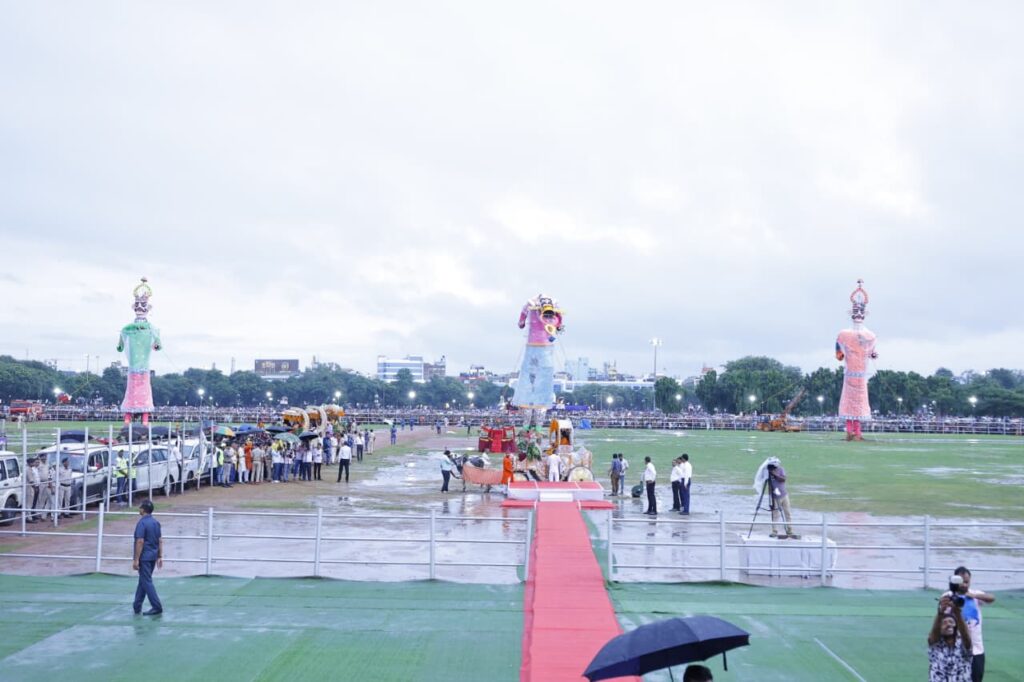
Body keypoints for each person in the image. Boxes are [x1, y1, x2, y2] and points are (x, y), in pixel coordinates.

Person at [835, 279, 879, 441]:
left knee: (858, 403)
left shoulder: (868, 336)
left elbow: (871, 351)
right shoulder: (846, 334)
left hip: (859, 374)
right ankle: (851, 432)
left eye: (861, 313)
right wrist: (841, 354)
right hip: (852, 373)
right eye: (857, 313)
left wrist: (872, 355)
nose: (858, 316)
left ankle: (856, 432)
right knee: (851, 402)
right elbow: (839, 351)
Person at [953, 566, 996, 681]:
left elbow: (991, 598)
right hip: (956, 650)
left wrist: (974, 596)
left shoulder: (975, 594)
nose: (964, 585)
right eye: (961, 582)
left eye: (967, 582)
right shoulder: (949, 596)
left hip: (976, 650)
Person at [928, 592, 972, 682]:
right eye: (944, 623)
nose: (948, 624)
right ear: (939, 628)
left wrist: (957, 613)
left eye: (951, 622)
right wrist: (940, 612)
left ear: (956, 626)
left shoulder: (962, 644)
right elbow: (933, 634)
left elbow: (966, 638)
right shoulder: (935, 645)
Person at [132, 499, 163, 616]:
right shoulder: (155, 523)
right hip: (152, 557)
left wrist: (136, 559)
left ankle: (156, 606)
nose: (139, 509)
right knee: (143, 581)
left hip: (144, 557)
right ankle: (137, 606)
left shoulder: (142, 523)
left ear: (143, 509)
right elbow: (160, 540)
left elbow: (140, 541)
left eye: (140, 507)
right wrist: (159, 556)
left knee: (146, 581)